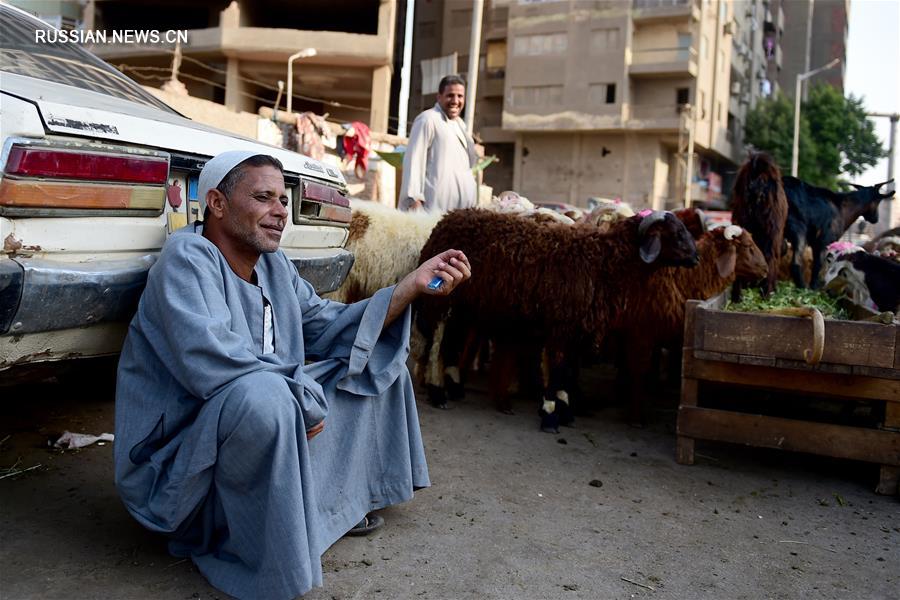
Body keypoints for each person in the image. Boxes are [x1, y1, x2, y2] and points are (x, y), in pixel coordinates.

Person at [114, 150, 471, 600]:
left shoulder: (273, 265)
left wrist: (408, 287)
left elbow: (327, 325)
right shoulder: (187, 258)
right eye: (263, 197)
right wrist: (298, 393)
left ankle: (330, 509)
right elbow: (210, 360)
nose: (280, 211)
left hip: (264, 410)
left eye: (283, 200)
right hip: (181, 458)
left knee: (374, 363)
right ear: (217, 204)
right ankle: (247, 544)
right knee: (266, 399)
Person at [399, 74, 479, 212]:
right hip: (432, 211)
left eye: (460, 96)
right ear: (439, 97)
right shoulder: (428, 119)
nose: (455, 101)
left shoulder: (461, 125)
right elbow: (414, 161)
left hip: (461, 213)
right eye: (450, 95)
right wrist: (413, 200)